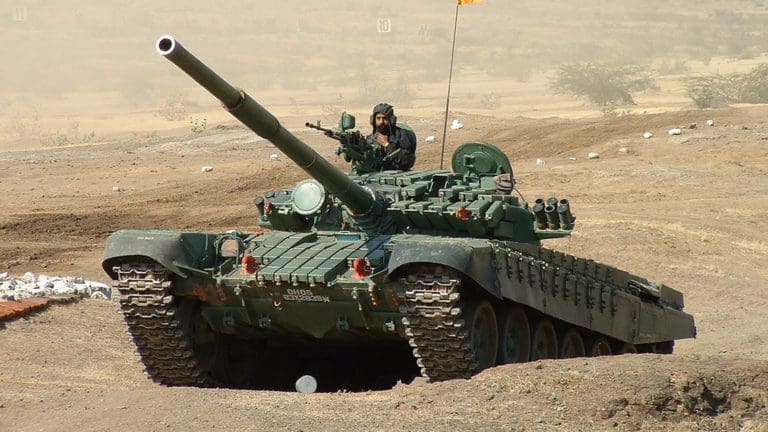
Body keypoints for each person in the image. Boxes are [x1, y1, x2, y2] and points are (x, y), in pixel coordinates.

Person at [366, 103, 417, 171]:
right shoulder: (370, 139)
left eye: (385, 118)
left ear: (391, 120)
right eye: (378, 118)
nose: (381, 122)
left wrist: (387, 145)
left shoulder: (400, 136)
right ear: (373, 120)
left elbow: (407, 161)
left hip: (398, 173)